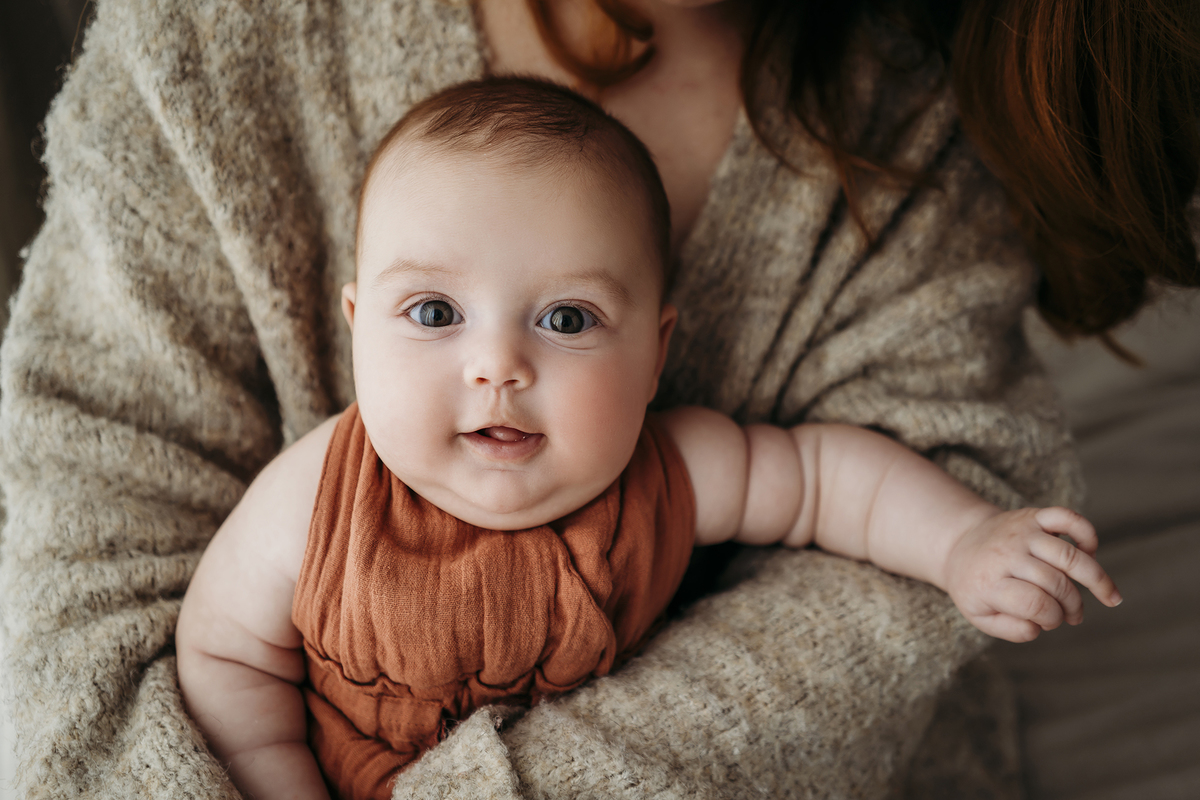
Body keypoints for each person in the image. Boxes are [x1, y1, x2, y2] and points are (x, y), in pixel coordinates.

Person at [1, 0, 1194, 797]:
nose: (497, 366)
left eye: (568, 321)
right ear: (356, 325)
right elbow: (218, 655)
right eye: (432, 317)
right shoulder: (322, 494)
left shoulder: (672, 469)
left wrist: (968, 536)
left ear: (659, 344)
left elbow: (832, 477)